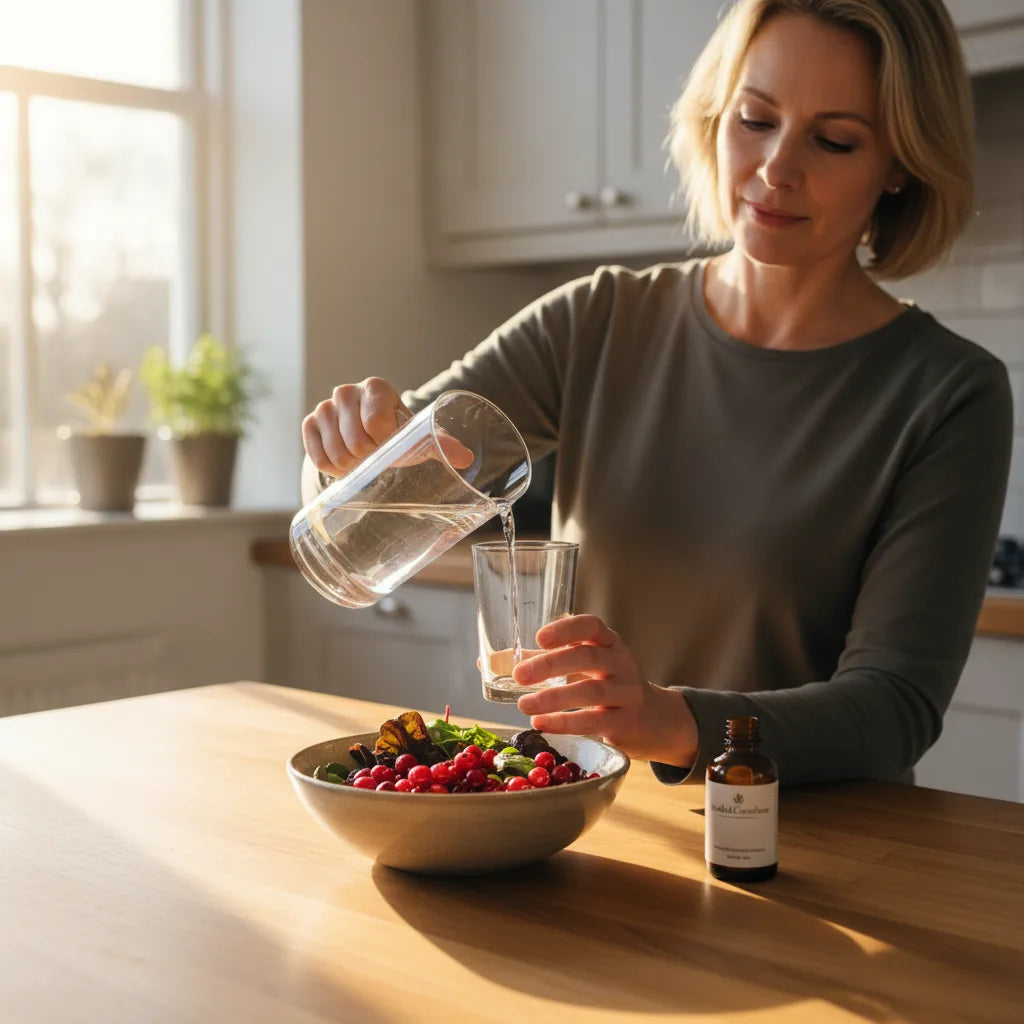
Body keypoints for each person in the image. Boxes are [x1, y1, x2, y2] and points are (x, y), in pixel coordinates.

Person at [300, 0, 1013, 787]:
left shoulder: (949, 392)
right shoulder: (597, 320)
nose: (777, 168)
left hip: (813, 856)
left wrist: (667, 720)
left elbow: (894, 709)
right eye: (754, 119)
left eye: (834, 139)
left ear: (902, 163)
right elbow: (372, 495)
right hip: (586, 826)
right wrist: (352, 453)